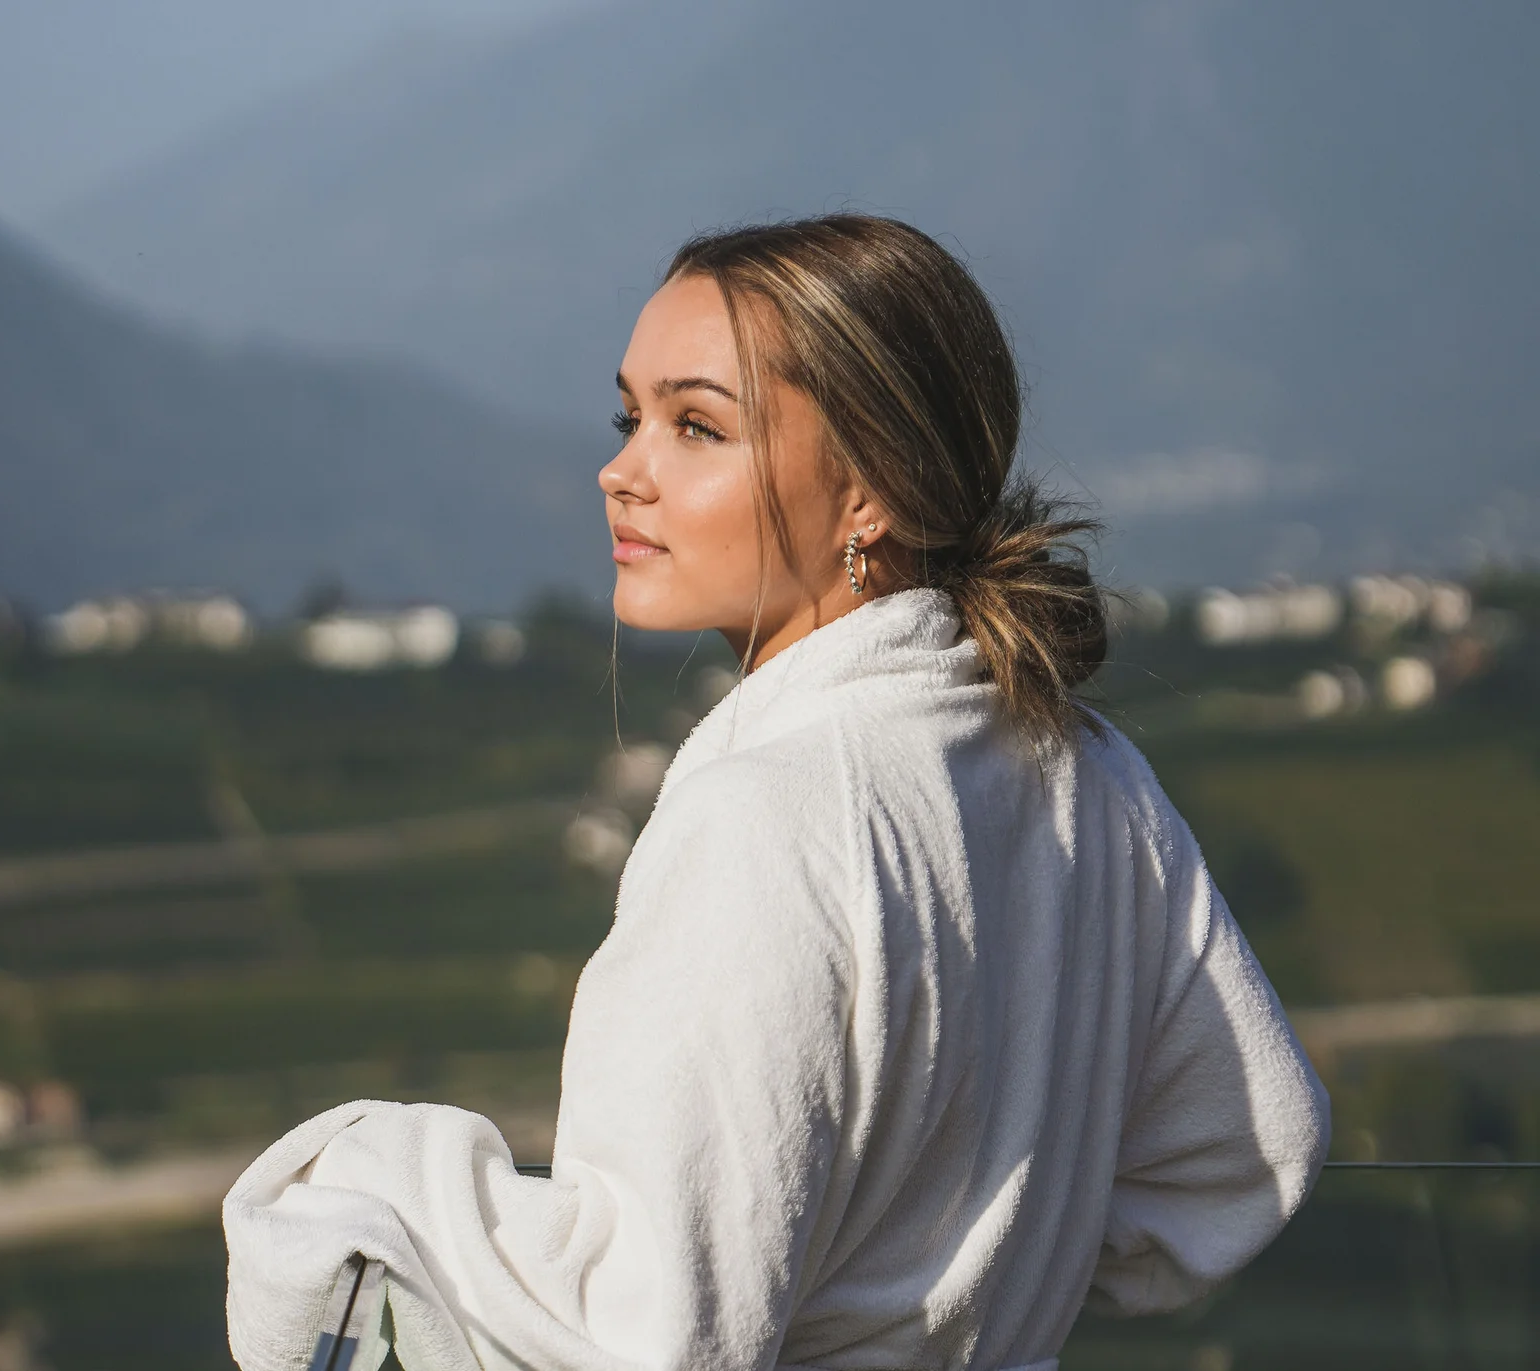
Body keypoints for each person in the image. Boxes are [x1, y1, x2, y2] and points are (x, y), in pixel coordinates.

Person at [223, 214, 1329, 1371]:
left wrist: (371, 1176)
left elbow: (642, 1340)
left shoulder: (769, 818)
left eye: (696, 425)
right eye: (630, 415)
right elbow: (1253, 1151)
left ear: (868, 493)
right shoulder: (1089, 770)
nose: (622, 468)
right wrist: (992, 1273)